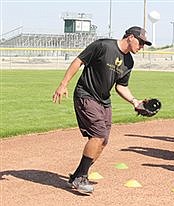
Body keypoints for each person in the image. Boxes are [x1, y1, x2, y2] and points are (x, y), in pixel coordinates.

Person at [52, 26, 152, 193]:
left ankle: (77, 174)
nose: (142, 46)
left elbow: (121, 86)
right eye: (140, 42)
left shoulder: (129, 62)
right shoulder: (103, 46)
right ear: (130, 37)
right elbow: (79, 61)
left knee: (103, 141)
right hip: (86, 94)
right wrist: (63, 84)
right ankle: (80, 178)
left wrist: (135, 102)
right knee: (98, 136)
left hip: (104, 101)